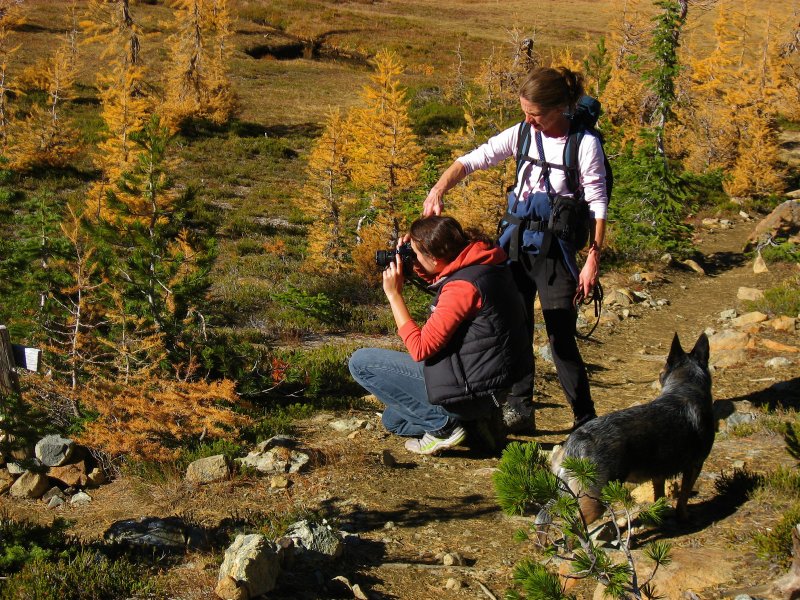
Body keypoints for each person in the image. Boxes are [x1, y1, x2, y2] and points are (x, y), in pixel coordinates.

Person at [422, 66, 608, 433]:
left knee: (560, 338)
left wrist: (592, 260)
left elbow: (598, 202)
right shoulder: (522, 134)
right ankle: (520, 411)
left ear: (560, 108)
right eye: (525, 112)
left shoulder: (584, 144)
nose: (528, 120)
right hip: (515, 246)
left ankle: (586, 421)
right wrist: (439, 188)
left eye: (535, 114)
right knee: (515, 331)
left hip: (556, 254)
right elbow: (475, 158)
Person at [348, 215, 533, 455]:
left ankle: (444, 427)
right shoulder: (487, 263)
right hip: (487, 387)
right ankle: (474, 426)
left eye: (416, 253)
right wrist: (415, 257)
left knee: (361, 363)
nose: (412, 257)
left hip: (468, 392)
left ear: (434, 257)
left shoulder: (463, 288)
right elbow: (444, 271)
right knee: (394, 420)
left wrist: (394, 296)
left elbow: (420, 348)